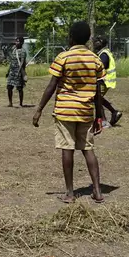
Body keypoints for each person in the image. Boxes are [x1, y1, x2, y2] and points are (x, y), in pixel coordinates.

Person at [32, 21, 106, 204]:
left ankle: (70, 193)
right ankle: (97, 191)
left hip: (65, 111)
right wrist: (99, 115)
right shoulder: (95, 59)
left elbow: (52, 85)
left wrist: (39, 109)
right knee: (88, 149)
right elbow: (98, 90)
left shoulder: (63, 57)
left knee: (68, 149)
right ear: (88, 38)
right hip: (86, 111)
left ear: (71, 37)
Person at [93, 36, 123, 127]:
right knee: (99, 98)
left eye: (97, 42)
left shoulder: (104, 54)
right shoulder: (103, 53)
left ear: (101, 43)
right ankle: (114, 112)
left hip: (103, 81)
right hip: (104, 80)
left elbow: (102, 66)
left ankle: (104, 121)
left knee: (97, 99)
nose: (95, 44)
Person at [6, 37, 27, 107]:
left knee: (19, 88)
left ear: (21, 43)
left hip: (18, 71)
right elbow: (11, 61)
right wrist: (8, 71)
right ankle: (10, 103)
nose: (16, 43)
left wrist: (19, 71)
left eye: (18, 41)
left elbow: (22, 62)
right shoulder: (14, 50)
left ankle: (21, 103)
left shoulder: (23, 51)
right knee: (9, 87)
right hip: (12, 71)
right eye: (16, 41)